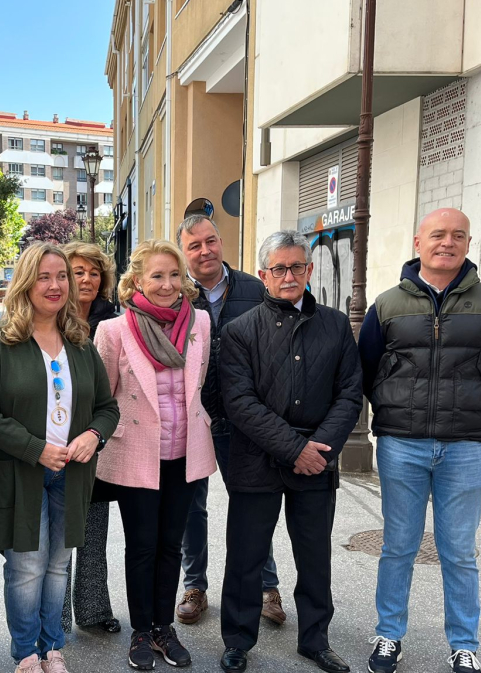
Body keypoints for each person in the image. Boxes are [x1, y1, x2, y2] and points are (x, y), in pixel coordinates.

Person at [359, 208, 481, 673]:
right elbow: (368, 368)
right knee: (398, 546)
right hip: (402, 444)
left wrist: (472, 405)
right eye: (438, 235)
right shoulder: (387, 304)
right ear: (418, 243)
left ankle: (464, 645)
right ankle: (389, 636)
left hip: (465, 445)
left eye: (457, 236)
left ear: (468, 244)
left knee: (459, 551)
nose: (447, 242)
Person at [0, 243, 120, 673]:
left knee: (57, 567)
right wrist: (34, 448)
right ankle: (26, 655)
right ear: (26, 283)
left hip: (72, 474)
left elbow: (107, 407)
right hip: (20, 474)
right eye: (44, 277)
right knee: (28, 567)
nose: (55, 285)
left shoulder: (80, 343)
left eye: (61, 276)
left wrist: (94, 435)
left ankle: (53, 649)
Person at [217, 230, 362, 673]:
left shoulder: (336, 325)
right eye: (278, 268)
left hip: (316, 459)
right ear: (263, 275)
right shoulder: (239, 331)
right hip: (256, 459)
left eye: (297, 266)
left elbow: (350, 394)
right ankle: (238, 640)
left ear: (309, 269)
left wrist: (318, 450)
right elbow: (239, 402)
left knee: (315, 558)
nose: (288, 276)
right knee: (246, 557)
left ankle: (315, 640)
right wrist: (294, 448)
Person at [94, 240, 215, 670]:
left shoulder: (200, 322)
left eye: (174, 275)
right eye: (157, 276)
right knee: (142, 547)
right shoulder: (114, 330)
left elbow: (200, 382)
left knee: (171, 546)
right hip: (137, 454)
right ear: (137, 281)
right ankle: (141, 632)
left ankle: (165, 627)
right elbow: (104, 396)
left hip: (185, 452)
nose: (167, 284)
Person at [174, 214, 281, 626]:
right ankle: (194, 586)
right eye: (194, 245)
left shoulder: (255, 290)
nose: (205, 251)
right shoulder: (176, 295)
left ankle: (265, 586)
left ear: (221, 242)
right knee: (191, 508)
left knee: (250, 504)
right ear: (184, 253)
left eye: (211, 241)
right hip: (193, 417)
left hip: (245, 418)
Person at [59, 241, 121, 635]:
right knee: (59, 533)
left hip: (101, 438)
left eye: (94, 272)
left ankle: (94, 610)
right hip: (57, 438)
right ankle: (56, 616)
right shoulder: (48, 317)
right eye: (78, 271)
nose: (87, 279)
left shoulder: (113, 322)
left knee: (94, 529)